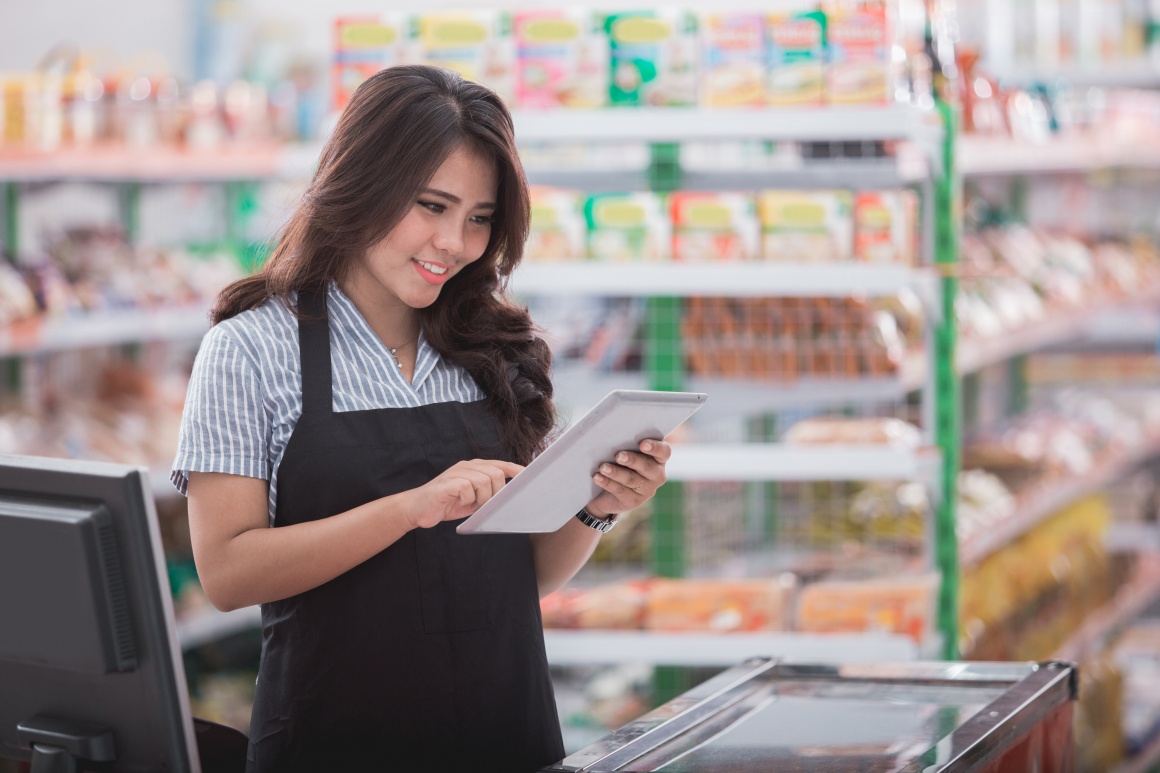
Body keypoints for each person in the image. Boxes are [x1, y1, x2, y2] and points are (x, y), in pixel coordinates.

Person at [171, 64, 672, 773]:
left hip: (509, 737)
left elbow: (515, 576)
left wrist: (595, 507)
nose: (454, 243)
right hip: (334, 743)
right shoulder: (251, 349)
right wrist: (409, 508)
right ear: (361, 183)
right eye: (431, 206)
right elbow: (225, 570)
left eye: (478, 218)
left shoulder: (497, 351)